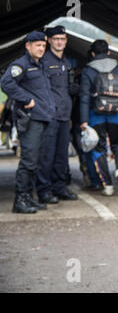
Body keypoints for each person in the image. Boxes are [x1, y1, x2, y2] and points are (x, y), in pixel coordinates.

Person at [0, 31, 55, 213]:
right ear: (28, 46)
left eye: (43, 46)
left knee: (37, 161)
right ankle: (20, 200)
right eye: (37, 45)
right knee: (28, 161)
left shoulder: (42, 65)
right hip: (30, 120)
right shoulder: (20, 65)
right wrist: (25, 99)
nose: (41, 49)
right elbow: (6, 83)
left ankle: (29, 197)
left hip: (43, 118)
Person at [79, 40, 118, 196]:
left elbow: (84, 96)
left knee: (98, 148)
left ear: (93, 54)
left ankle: (107, 185)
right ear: (108, 52)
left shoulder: (88, 70)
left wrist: (83, 120)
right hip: (116, 115)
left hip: (96, 116)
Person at [35, 25, 78, 204]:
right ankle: (44, 191)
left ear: (66, 41)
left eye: (62, 39)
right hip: (49, 116)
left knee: (61, 155)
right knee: (47, 155)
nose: (59, 42)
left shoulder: (66, 63)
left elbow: (66, 91)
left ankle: (59, 188)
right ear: (49, 41)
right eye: (56, 39)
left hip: (64, 116)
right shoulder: (43, 61)